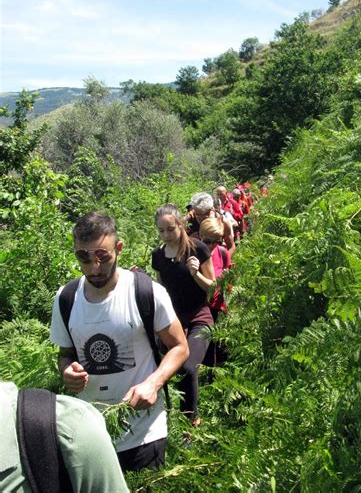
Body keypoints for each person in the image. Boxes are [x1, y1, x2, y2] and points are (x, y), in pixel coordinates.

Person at [50, 211, 189, 473]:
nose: (95, 268)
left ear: (119, 248)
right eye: (84, 258)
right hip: (90, 432)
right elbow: (66, 353)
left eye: (103, 256)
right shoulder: (66, 298)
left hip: (144, 429)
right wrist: (66, 370)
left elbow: (180, 347)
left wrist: (153, 383)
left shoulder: (146, 292)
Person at [0, 380, 129, 493]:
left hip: (136, 435)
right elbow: (66, 356)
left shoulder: (72, 428)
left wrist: (150, 384)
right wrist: (67, 369)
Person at [152, 204, 216, 426]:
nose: (166, 235)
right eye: (161, 230)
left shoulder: (198, 249)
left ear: (181, 225)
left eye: (170, 229)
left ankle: (191, 420)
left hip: (200, 316)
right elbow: (161, 291)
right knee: (169, 366)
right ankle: (170, 415)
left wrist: (195, 273)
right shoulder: (158, 256)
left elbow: (212, 287)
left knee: (187, 366)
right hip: (174, 320)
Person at [188, 192, 236, 258]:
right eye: (198, 215)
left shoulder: (223, 222)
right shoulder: (191, 221)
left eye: (204, 216)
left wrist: (225, 262)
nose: (201, 219)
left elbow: (231, 246)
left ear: (211, 210)